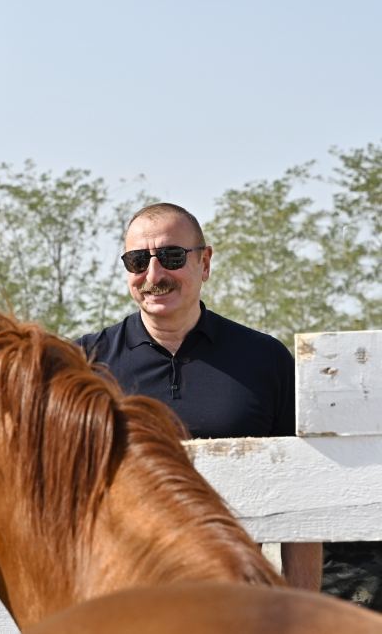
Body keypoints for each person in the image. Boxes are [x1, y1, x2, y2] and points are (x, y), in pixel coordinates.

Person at [75, 203, 322, 590]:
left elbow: (302, 496)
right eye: (138, 261)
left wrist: (303, 614)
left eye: (172, 257)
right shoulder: (82, 365)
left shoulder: (265, 360)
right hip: (120, 606)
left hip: (238, 606)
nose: (153, 275)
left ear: (204, 263)